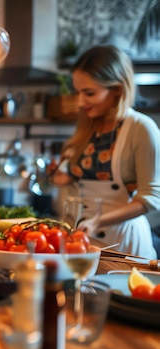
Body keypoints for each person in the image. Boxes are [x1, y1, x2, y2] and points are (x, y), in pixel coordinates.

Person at [50, 45, 160, 259]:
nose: (81, 102)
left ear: (117, 89)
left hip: (126, 243)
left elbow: (151, 198)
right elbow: (77, 172)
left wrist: (98, 220)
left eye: (89, 93)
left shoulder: (142, 128)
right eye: (78, 92)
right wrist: (63, 174)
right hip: (84, 241)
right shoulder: (88, 127)